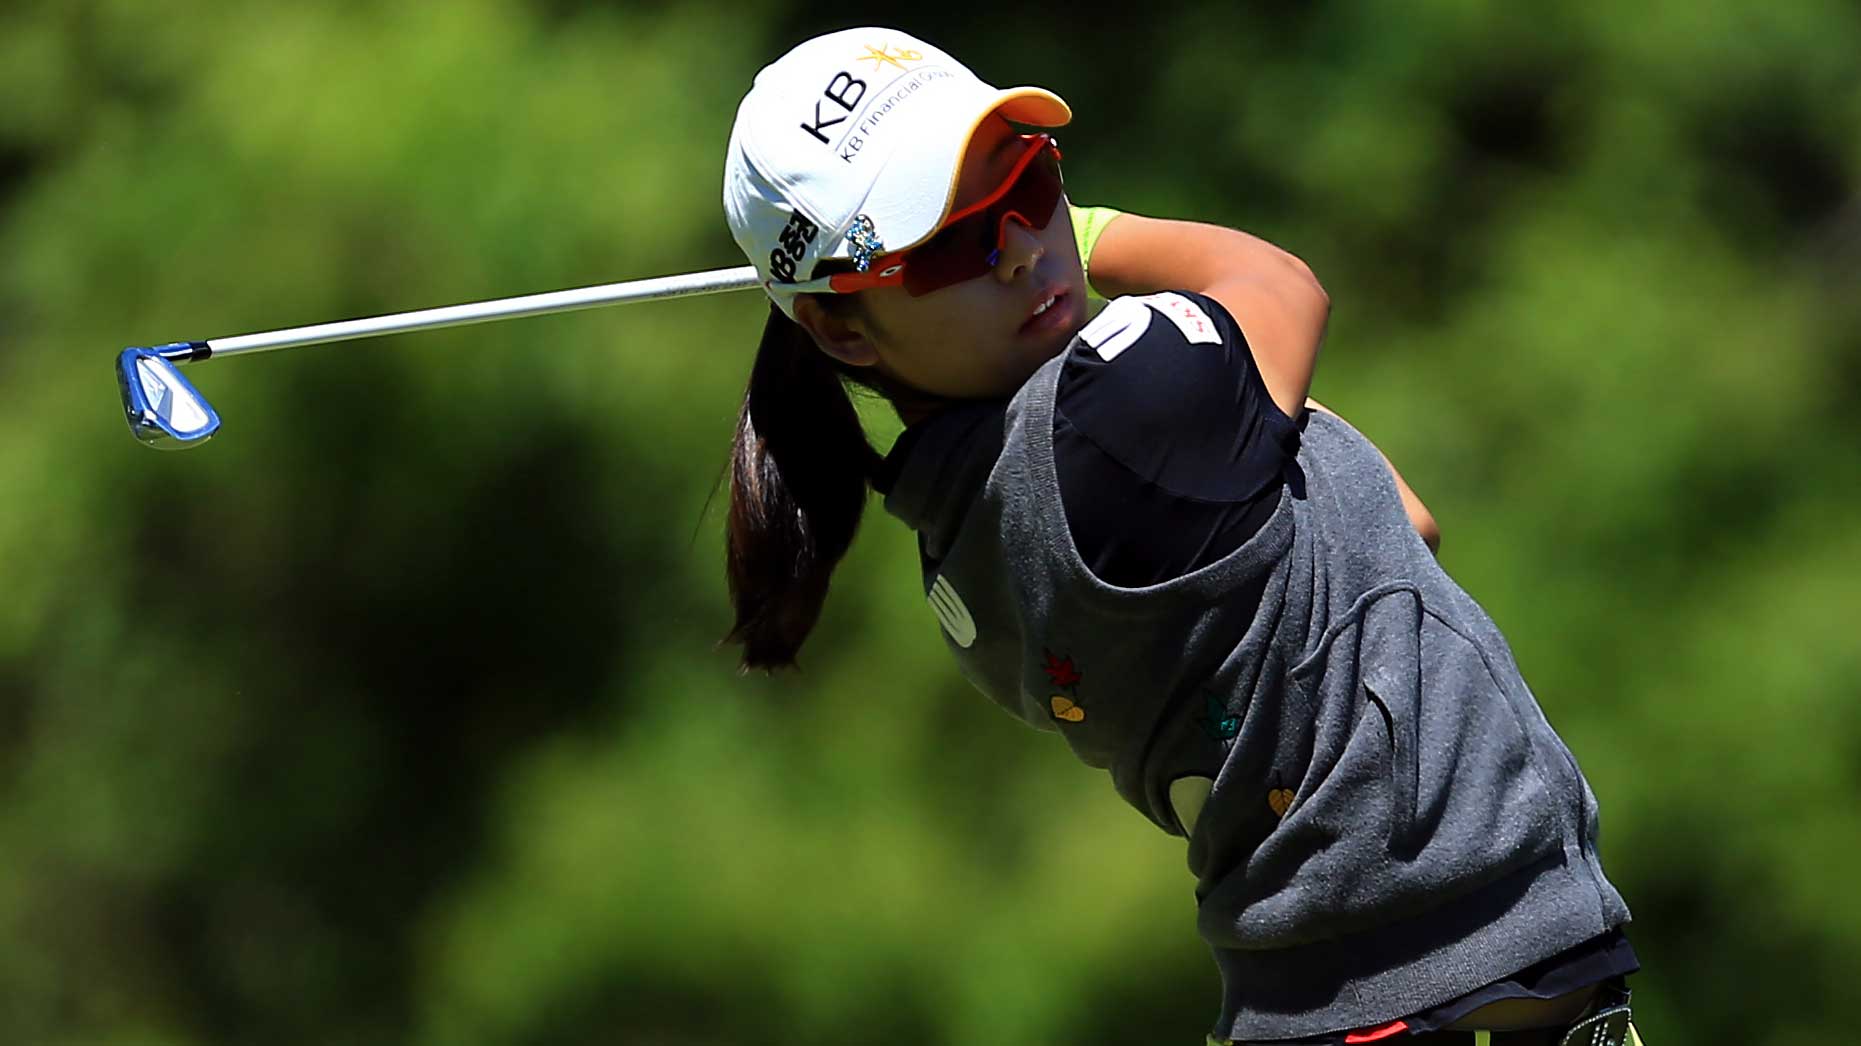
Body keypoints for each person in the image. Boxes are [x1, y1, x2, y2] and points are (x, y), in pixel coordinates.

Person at [719, 26, 1642, 1046]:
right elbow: (1281, 283)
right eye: (950, 241)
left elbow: (1394, 519)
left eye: (1030, 187)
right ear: (842, 328)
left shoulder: (962, 543)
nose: (1025, 246)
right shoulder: (1122, 408)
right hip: (1443, 979)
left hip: (1347, 995)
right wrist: (1100, 230)